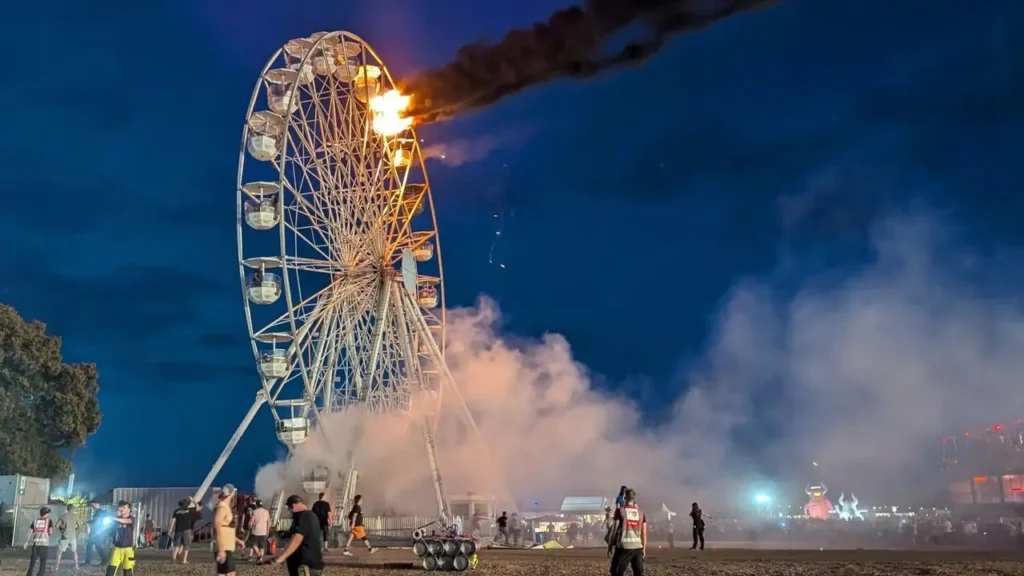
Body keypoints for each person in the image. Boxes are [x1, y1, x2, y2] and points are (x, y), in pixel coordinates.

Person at [265, 495, 325, 576]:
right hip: (305, 564)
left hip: (306, 565)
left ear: (293, 506)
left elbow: (297, 539)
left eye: (289, 508)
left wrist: (281, 558)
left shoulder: (304, 516)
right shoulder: (308, 516)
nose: (290, 511)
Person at [607, 488, 646, 576]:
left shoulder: (620, 511)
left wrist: (610, 545)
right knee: (639, 573)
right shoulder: (641, 513)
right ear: (634, 498)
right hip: (637, 546)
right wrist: (644, 548)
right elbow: (644, 533)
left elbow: (614, 530)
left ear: (625, 497)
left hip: (623, 546)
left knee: (616, 571)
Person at [106, 500, 137, 576]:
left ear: (129, 509)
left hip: (129, 550)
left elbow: (127, 521)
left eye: (124, 507)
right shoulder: (116, 519)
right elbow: (111, 532)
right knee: (110, 570)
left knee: (128, 571)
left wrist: (115, 519)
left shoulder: (131, 518)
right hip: (117, 548)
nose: (122, 509)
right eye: (121, 507)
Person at [214, 484, 240, 576]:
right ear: (232, 493)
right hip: (224, 546)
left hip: (228, 546)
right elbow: (217, 527)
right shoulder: (222, 507)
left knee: (224, 573)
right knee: (230, 573)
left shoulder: (226, 507)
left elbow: (226, 528)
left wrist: (237, 540)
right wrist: (221, 550)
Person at [23, 506, 53, 576]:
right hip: (44, 544)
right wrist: (47, 534)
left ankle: (29, 574)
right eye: (47, 513)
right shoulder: (49, 521)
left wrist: (26, 542)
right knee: (43, 562)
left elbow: (29, 532)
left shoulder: (35, 521)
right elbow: (51, 532)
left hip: (36, 544)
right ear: (46, 513)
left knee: (32, 562)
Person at [56, 503, 84, 570]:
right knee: (74, 551)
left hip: (64, 536)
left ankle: (56, 567)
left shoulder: (63, 516)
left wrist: (62, 531)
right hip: (73, 536)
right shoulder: (76, 516)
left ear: (67, 509)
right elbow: (80, 525)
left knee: (59, 552)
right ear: (72, 509)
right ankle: (77, 566)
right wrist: (75, 530)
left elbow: (57, 525)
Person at [169, 499, 198, 564]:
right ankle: (184, 560)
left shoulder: (176, 511)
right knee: (186, 545)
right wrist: (193, 500)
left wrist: (170, 529)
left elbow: (173, 520)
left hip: (178, 530)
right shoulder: (190, 510)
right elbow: (197, 508)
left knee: (177, 545)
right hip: (187, 530)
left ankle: (173, 558)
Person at [84, 499, 108, 566]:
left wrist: (88, 522)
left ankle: (87, 562)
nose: (92, 506)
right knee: (97, 546)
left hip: (97, 532)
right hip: (98, 532)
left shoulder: (99, 512)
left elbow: (96, 521)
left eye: (92, 505)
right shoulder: (100, 512)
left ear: (96, 504)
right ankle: (105, 560)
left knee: (90, 545)